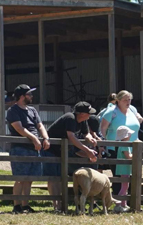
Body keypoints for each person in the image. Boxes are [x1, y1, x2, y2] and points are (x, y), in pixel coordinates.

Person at [45, 101, 99, 211]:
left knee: (62, 176)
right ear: (82, 114)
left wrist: (89, 138)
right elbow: (71, 137)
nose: (90, 115)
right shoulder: (70, 118)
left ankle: (62, 203)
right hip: (51, 150)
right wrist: (87, 150)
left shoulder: (83, 121)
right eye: (89, 113)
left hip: (64, 151)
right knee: (54, 177)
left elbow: (86, 133)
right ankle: (56, 205)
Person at [6, 84, 50, 214]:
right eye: (29, 94)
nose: (31, 96)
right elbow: (19, 128)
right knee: (20, 178)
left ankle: (25, 205)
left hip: (33, 148)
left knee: (29, 179)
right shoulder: (13, 111)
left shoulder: (32, 110)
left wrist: (45, 137)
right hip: (20, 148)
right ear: (21, 96)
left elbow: (40, 125)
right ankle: (17, 205)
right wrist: (35, 139)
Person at [99, 90, 142, 210]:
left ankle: (129, 202)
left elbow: (139, 119)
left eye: (129, 99)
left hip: (134, 146)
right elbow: (102, 129)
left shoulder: (132, 109)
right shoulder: (111, 112)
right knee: (119, 176)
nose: (128, 102)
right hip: (116, 147)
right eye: (125, 100)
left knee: (132, 176)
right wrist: (102, 144)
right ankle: (118, 203)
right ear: (118, 100)